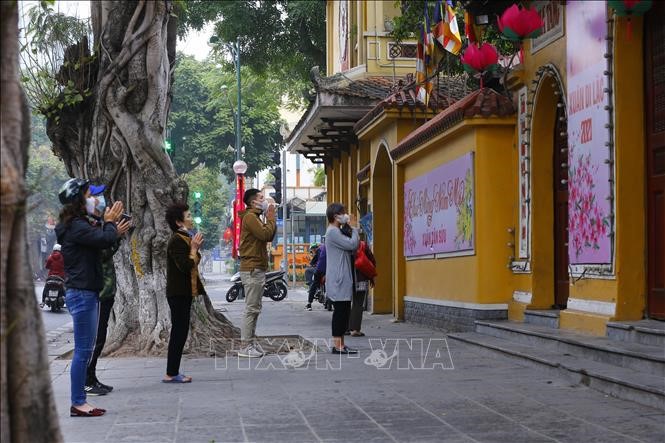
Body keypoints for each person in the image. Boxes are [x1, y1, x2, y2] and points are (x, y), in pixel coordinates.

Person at [55, 178, 130, 417]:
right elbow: (103, 240)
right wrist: (108, 224)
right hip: (82, 293)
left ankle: (80, 401)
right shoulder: (75, 226)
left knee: (84, 350)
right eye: (90, 194)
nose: (95, 199)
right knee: (82, 351)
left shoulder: (78, 224)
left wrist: (108, 226)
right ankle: (78, 402)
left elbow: (102, 242)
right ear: (79, 199)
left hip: (86, 291)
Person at [85, 184, 123, 395]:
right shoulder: (88, 226)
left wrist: (114, 233)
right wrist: (114, 234)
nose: (100, 199)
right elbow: (100, 255)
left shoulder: (97, 224)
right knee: (94, 338)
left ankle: (92, 376)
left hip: (106, 290)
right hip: (98, 291)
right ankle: (86, 380)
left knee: (100, 337)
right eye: (94, 195)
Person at [164, 202, 205, 383]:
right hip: (178, 292)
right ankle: (171, 373)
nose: (191, 219)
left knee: (181, 331)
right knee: (178, 332)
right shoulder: (176, 240)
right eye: (188, 216)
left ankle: (173, 371)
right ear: (179, 222)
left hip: (185, 292)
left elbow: (194, 260)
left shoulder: (185, 238)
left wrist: (194, 248)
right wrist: (194, 249)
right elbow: (186, 266)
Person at [238, 189, 276, 358]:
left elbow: (268, 234)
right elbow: (266, 234)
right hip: (252, 268)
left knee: (255, 308)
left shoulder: (254, 217)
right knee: (251, 309)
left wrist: (268, 217)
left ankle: (250, 344)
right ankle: (245, 346)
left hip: (256, 267)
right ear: (254, 202)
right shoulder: (251, 217)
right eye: (261, 197)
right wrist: (271, 215)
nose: (265, 199)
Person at [325, 203, 359, 354]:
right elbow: (352, 244)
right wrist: (355, 228)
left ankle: (341, 345)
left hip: (342, 277)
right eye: (343, 213)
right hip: (339, 278)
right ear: (335, 216)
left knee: (344, 311)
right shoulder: (333, 232)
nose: (346, 215)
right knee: (340, 312)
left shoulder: (336, 231)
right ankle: (337, 345)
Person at [349, 237, 376, 337]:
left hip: (347, 279)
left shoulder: (345, 246)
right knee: (358, 303)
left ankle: (347, 328)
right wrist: (372, 277)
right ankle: (355, 329)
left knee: (348, 303)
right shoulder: (363, 245)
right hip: (361, 279)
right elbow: (372, 261)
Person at [304, 243, 320, 311]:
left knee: (313, 285)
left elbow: (311, 264)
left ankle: (309, 304)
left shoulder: (317, 253)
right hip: (329, 271)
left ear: (313, 249)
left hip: (320, 271)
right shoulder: (324, 250)